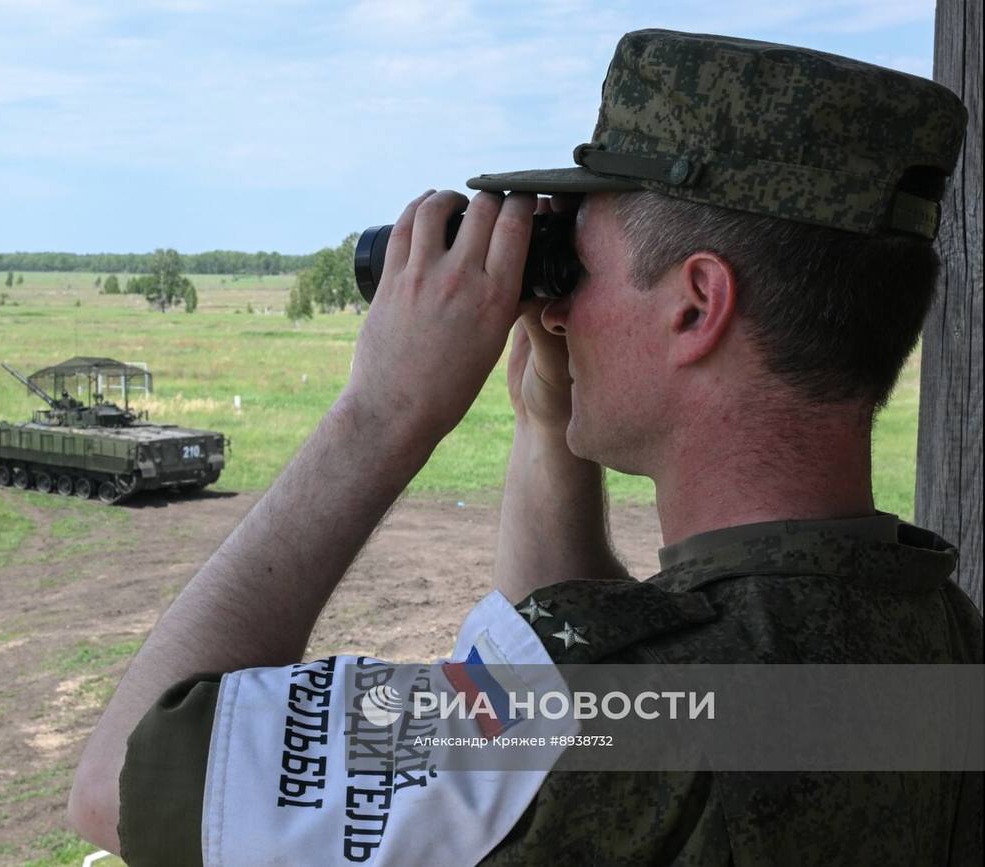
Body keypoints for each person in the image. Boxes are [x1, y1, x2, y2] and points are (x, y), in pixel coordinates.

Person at [68, 30, 982, 865]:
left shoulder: (592, 717)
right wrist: (552, 420)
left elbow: (119, 783)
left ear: (696, 305)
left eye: (573, 268)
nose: (552, 308)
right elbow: (595, 653)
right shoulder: (938, 642)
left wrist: (381, 413)